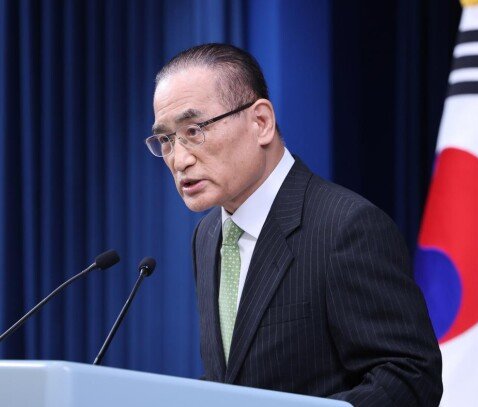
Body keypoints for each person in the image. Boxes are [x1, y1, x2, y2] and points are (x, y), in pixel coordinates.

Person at [147, 43, 442, 406]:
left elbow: (411, 377)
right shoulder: (208, 236)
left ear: (261, 122)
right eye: (166, 140)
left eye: (194, 130)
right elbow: (235, 378)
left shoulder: (346, 227)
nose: (179, 159)